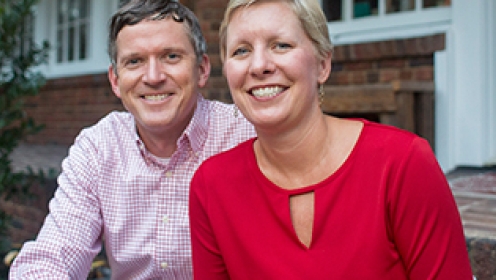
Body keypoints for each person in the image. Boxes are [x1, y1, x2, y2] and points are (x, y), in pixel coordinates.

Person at [189, 0, 474, 279]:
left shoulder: (401, 162)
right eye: (241, 51)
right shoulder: (211, 186)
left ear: (323, 65)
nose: (259, 65)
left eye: (281, 45)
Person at [9, 0, 255, 278]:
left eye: (171, 56)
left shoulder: (246, 134)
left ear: (202, 69)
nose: (153, 77)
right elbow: (53, 256)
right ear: (115, 80)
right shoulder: (98, 149)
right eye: (134, 61)